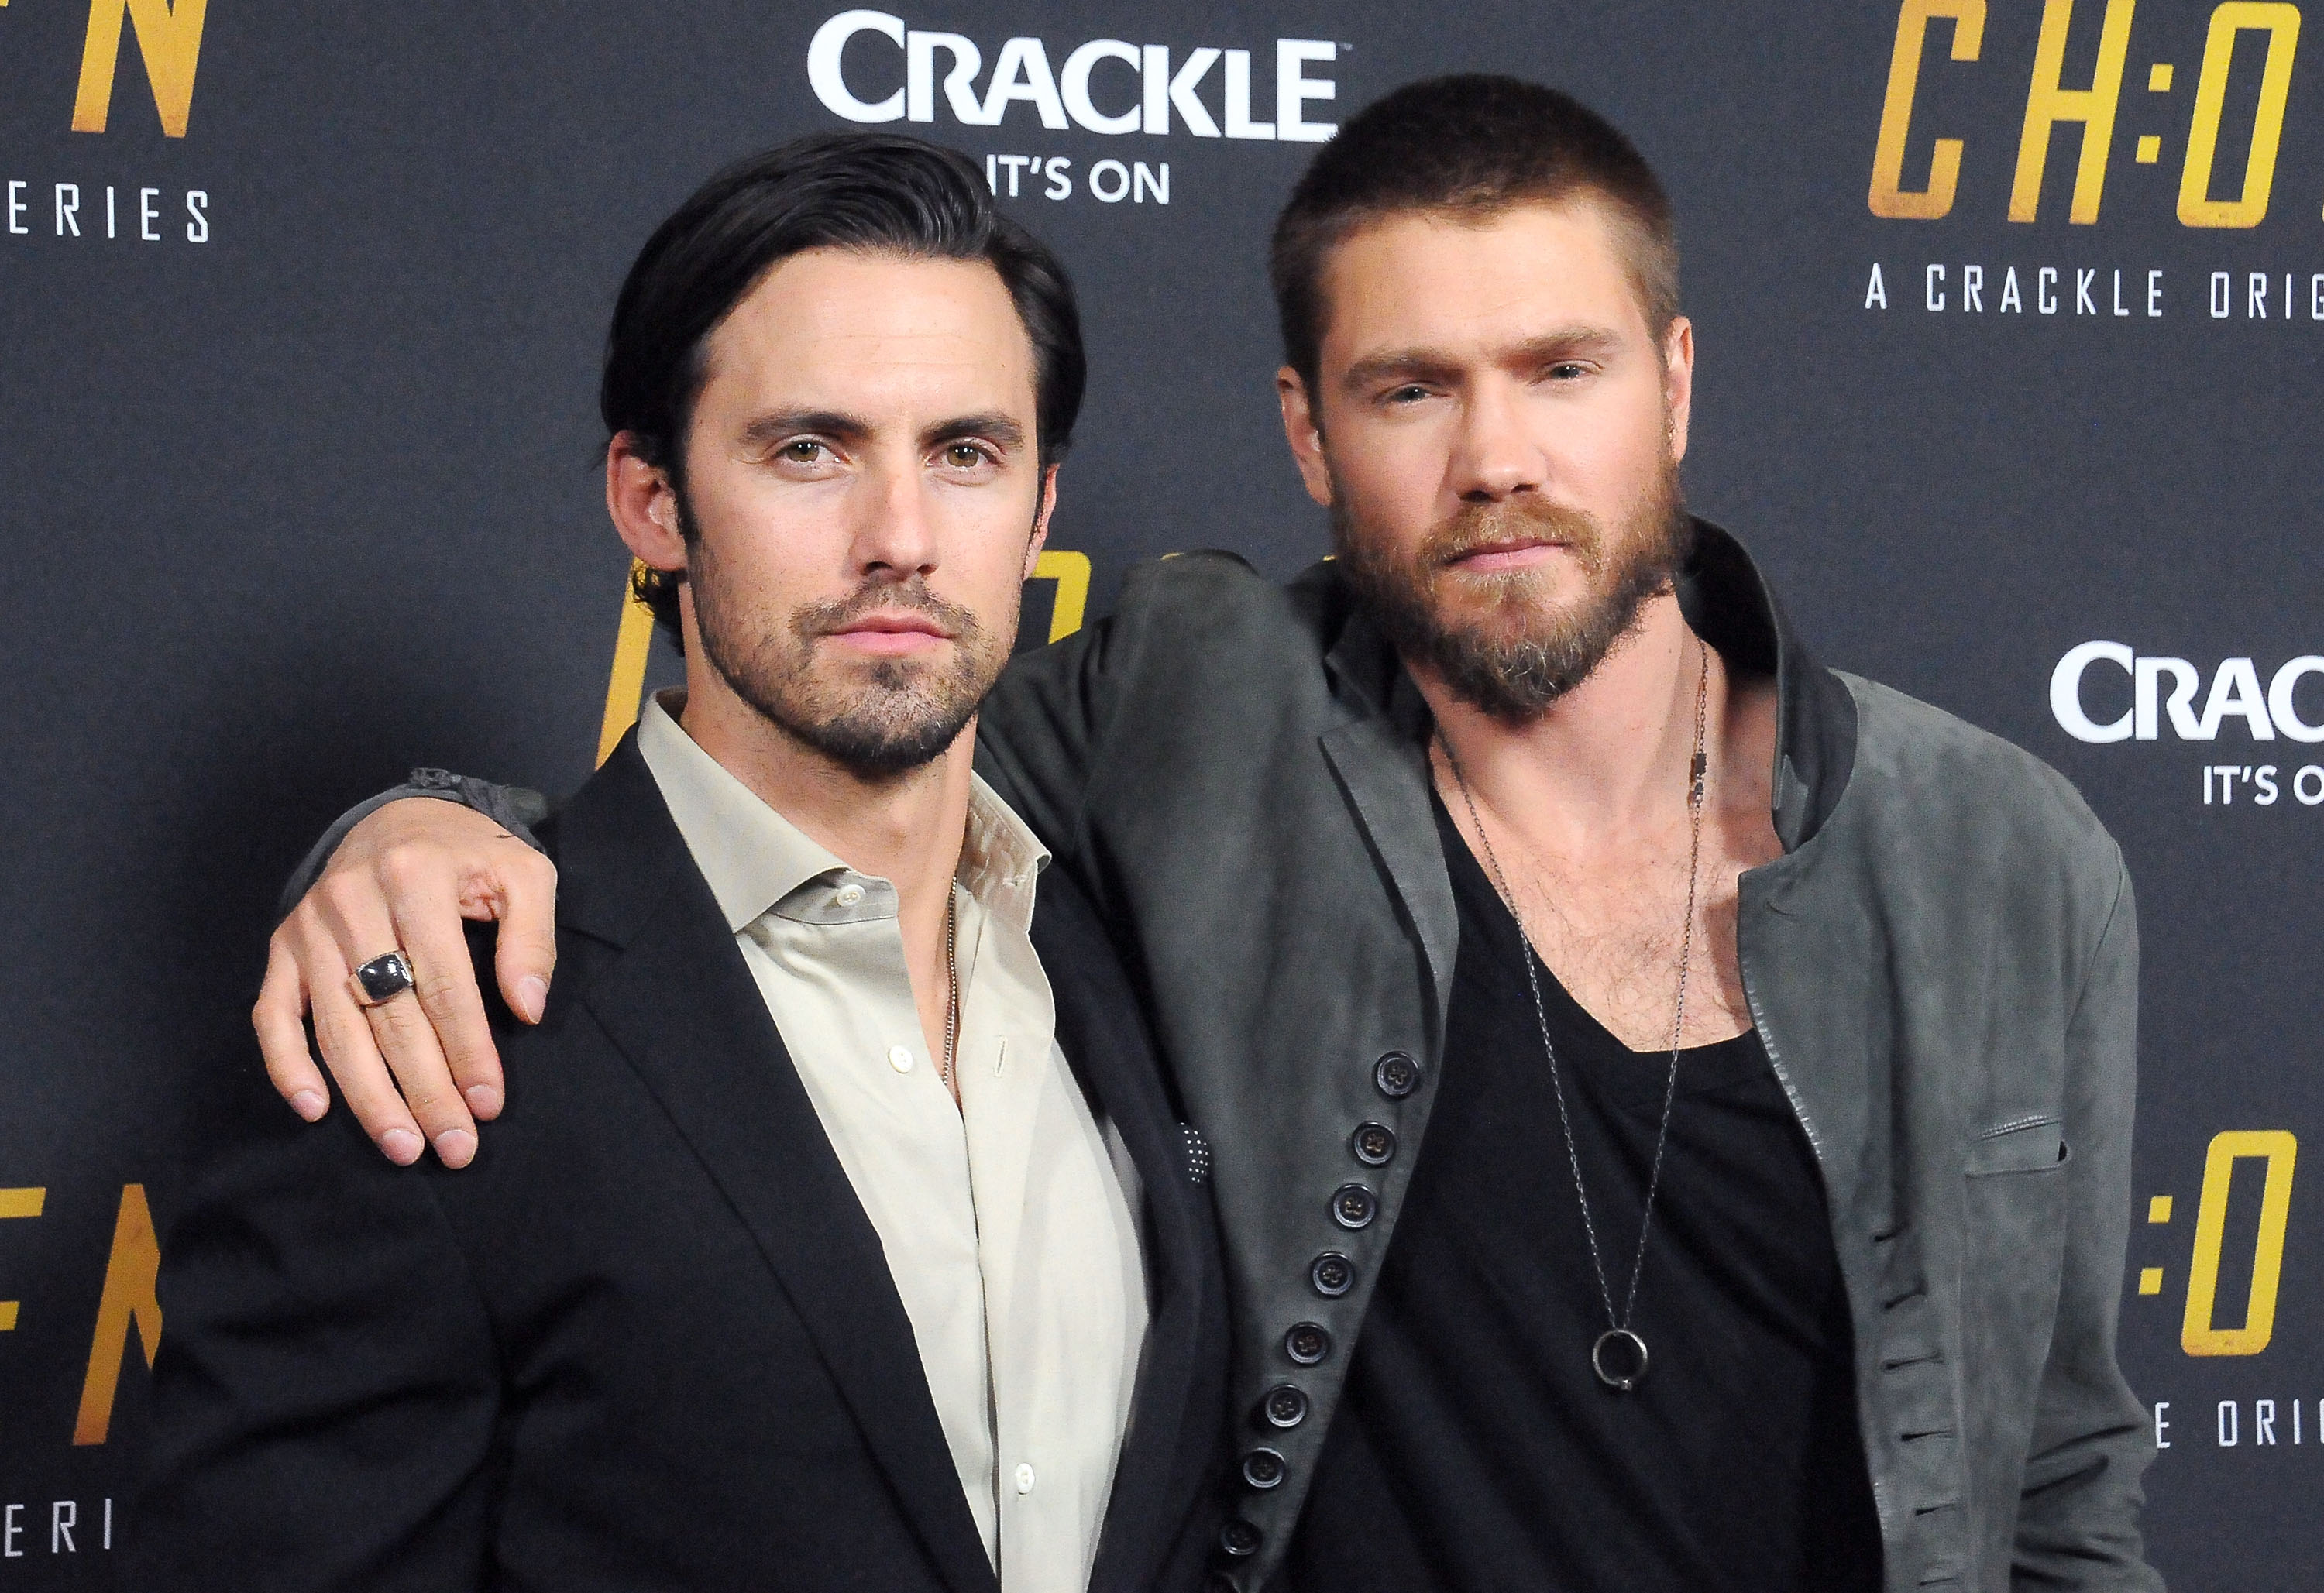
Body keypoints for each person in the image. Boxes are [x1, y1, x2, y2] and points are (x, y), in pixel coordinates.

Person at [260, 80, 2162, 1593]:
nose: (1497, 458)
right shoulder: (1194, 711)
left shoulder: (2006, 853)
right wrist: (420, 828)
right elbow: (816, 750)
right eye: (1410, 389)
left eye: (1563, 371)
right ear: (1307, 437)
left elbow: (2063, 1480)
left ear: (1672, 387)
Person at [135, 133, 1231, 1593]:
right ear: (652, 501)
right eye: (808, 449)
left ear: (1037, 512)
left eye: (965, 453)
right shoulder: (422, 1024)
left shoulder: (1129, 960)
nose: (899, 536)